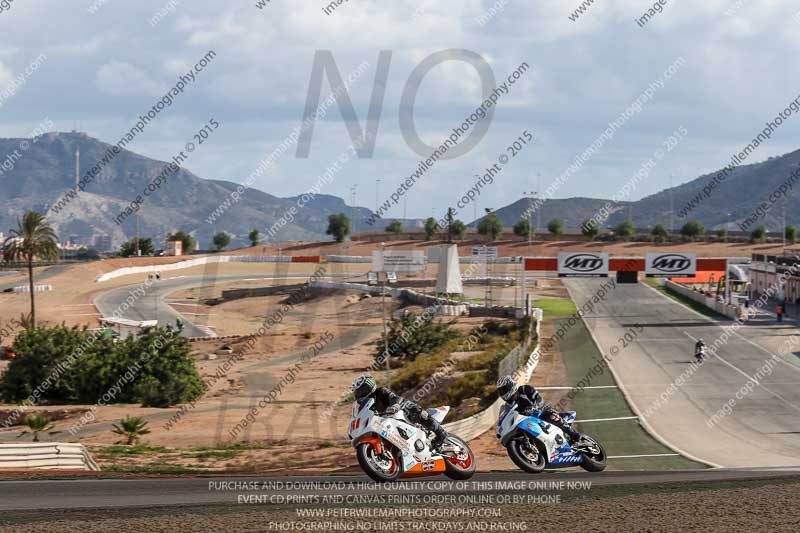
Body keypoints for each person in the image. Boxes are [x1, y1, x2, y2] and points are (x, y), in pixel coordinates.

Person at [351, 375, 449, 451]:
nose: (360, 394)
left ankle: (441, 434)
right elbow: (361, 417)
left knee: (412, 409)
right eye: (358, 392)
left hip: (398, 413)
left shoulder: (381, 391)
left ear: (369, 387)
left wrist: (395, 405)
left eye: (362, 390)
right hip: (384, 425)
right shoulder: (363, 407)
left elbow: (395, 398)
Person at [496, 376, 583, 444]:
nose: (503, 392)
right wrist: (500, 427)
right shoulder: (508, 405)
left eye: (504, 389)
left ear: (511, 385)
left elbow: (539, 399)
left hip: (541, 412)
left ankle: (573, 434)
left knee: (551, 415)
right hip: (528, 422)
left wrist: (534, 407)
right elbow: (506, 416)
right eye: (501, 391)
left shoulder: (525, 389)